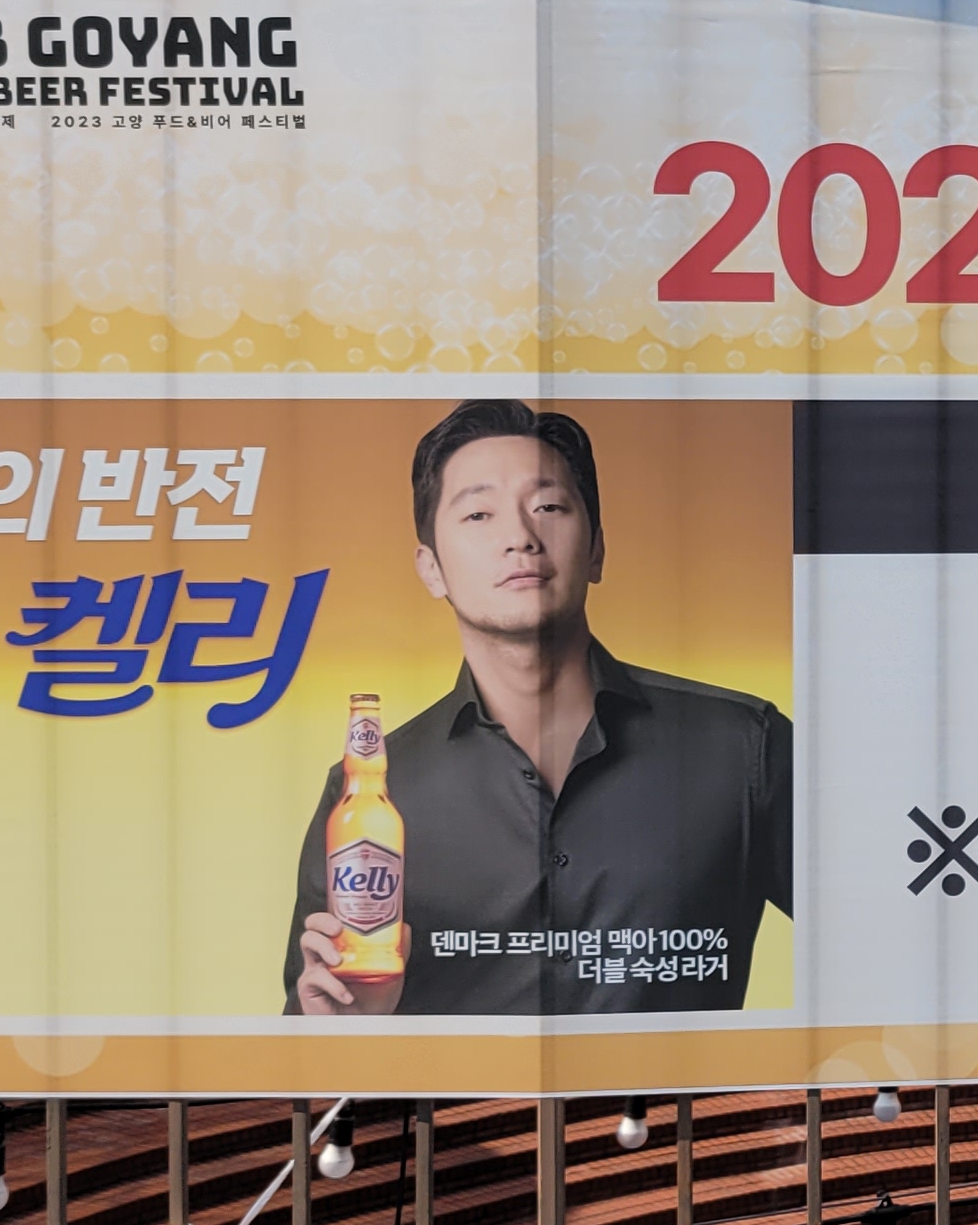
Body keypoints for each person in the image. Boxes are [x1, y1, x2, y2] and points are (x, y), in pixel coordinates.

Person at [287, 399, 790, 1015]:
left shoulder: (744, 747)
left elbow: (878, 933)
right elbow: (310, 1050)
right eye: (479, 513)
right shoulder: (371, 792)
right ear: (431, 569)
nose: (521, 538)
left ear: (597, 549)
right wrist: (350, 1027)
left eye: (549, 507)